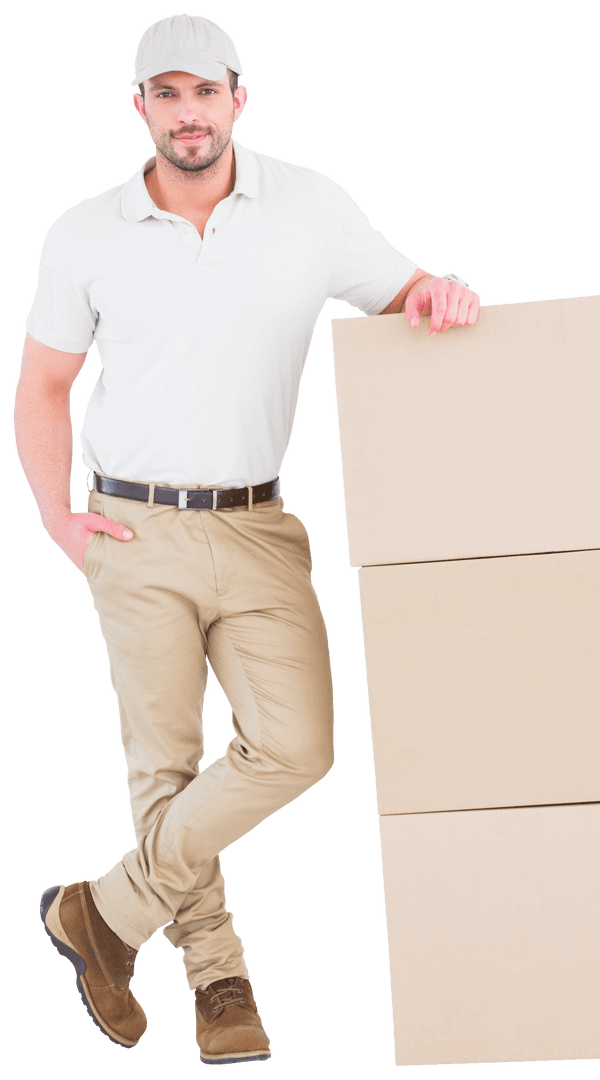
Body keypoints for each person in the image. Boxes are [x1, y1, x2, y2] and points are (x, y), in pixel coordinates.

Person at [13, 13, 481, 1068]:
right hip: (131, 524)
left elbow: (402, 294)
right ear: (141, 107)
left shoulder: (307, 206)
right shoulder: (84, 232)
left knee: (299, 747)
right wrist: (55, 515)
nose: (188, 114)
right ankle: (219, 978)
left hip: (262, 524)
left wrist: (438, 295)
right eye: (165, 95)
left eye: (205, 93)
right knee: (165, 763)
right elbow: (43, 386)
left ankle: (102, 912)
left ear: (239, 99)